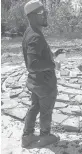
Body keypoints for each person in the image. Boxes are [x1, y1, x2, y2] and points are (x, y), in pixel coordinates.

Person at [21, 0, 63, 148]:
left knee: (34, 107)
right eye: (41, 13)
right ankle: (45, 136)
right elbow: (33, 64)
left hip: (35, 82)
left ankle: (27, 136)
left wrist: (52, 55)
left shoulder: (30, 31)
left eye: (45, 12)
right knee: (46, 111)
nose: (45, 15)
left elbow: (36, 56)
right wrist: (53, 64)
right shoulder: (35, 36)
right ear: (31, 16)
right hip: (44, 84)